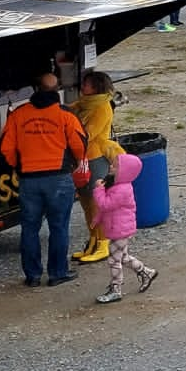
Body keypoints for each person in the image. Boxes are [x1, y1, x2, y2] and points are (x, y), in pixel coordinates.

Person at [0, 74, 88, 287]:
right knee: (59, 227)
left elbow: (6, 148)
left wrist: (18, 166)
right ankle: (57, 273)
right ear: (57, 90)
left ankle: (32, 276)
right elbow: (80, 144)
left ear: (36, 89)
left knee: (29, 228)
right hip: (58, 177)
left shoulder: (18, 115)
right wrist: (75, 163)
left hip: (29, 179)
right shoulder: (65, 115)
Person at [91, 140, 157, 303]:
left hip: (120, 230)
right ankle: (146, 272)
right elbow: (105, 209)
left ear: (124, 172)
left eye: (114, 166)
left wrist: (98, 189)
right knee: (123, 257)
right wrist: (97, 219)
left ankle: (116, 288)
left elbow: (105, 204)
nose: (111, 167)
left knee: (114, 259)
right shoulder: (116, 185)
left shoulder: (122, 189)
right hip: (117, 228)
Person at [71, 68, 120, 265]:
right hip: (81, 158)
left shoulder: (102, 107)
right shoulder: (84, 103)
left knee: (96, 202)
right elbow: (68, 110)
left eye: (86, 84)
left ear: (96, 87)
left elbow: (88, 134)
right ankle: (92, 240)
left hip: (95, 157)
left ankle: (103, 243)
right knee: (85, 202)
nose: (82, 87)